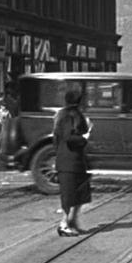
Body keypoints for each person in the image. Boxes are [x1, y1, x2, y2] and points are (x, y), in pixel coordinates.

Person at [53, 89, 93, 236]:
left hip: (74, 161)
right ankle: (64, 224)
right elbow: (69, 138)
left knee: (80, 194)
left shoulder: (66, 115)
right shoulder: (69, 116)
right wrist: (85, 136)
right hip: (69, 161)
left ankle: (72, 221)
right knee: (69, 195)